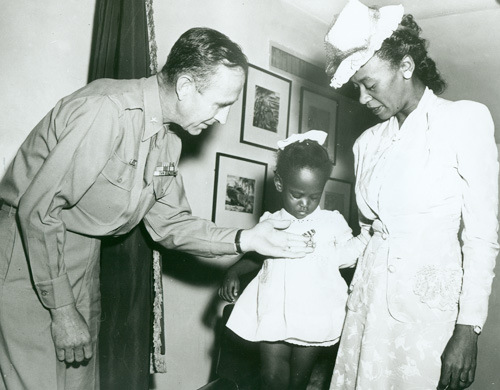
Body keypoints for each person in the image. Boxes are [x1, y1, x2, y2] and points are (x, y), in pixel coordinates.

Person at [0, 27, 313, 390]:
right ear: (184, 87)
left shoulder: (167, 144)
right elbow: (38, 212)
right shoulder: (107, 110)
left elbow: (172, 224)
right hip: (27, 254)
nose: (222, 118)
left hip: (82, 258)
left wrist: (246, 239)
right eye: (221, 103)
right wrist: (63, 310)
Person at [323, 1, 499, 389]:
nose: (364, 99)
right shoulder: (366, 143)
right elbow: (368, 234)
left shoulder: (463, 121)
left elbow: (482, 235)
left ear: (406, 66)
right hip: (366, 307)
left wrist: (468, 328)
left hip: (425, 315)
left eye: (369, 85)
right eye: (357, 89)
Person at [218, 130, 369, 390]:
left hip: (314, 311)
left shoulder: (331, 222)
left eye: (314, 196)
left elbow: (344, 257)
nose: (304, 204)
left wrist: (368, 237)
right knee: (272, 377)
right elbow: (258, 256)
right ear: (279, 184)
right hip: (274, 307)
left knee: (299, 380)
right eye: (296, 195)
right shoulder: (270, 221)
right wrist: (233, 270)